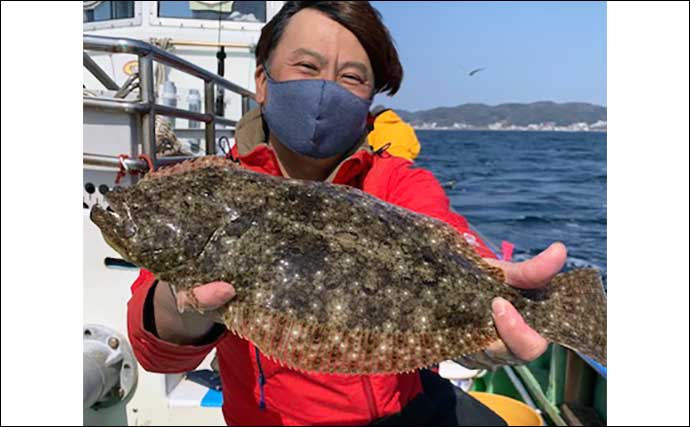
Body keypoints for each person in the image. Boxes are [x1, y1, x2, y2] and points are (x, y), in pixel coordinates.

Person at [127, 2, 566, 425]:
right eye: (306, 67)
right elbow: (155, 352)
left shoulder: (399, 184)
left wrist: (492, 320)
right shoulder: (215, 190)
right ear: (262, 80)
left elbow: (451, 238)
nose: (324, 90)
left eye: (351, 76)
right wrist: (183, 306)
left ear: (369, 98)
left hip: (409, 412)